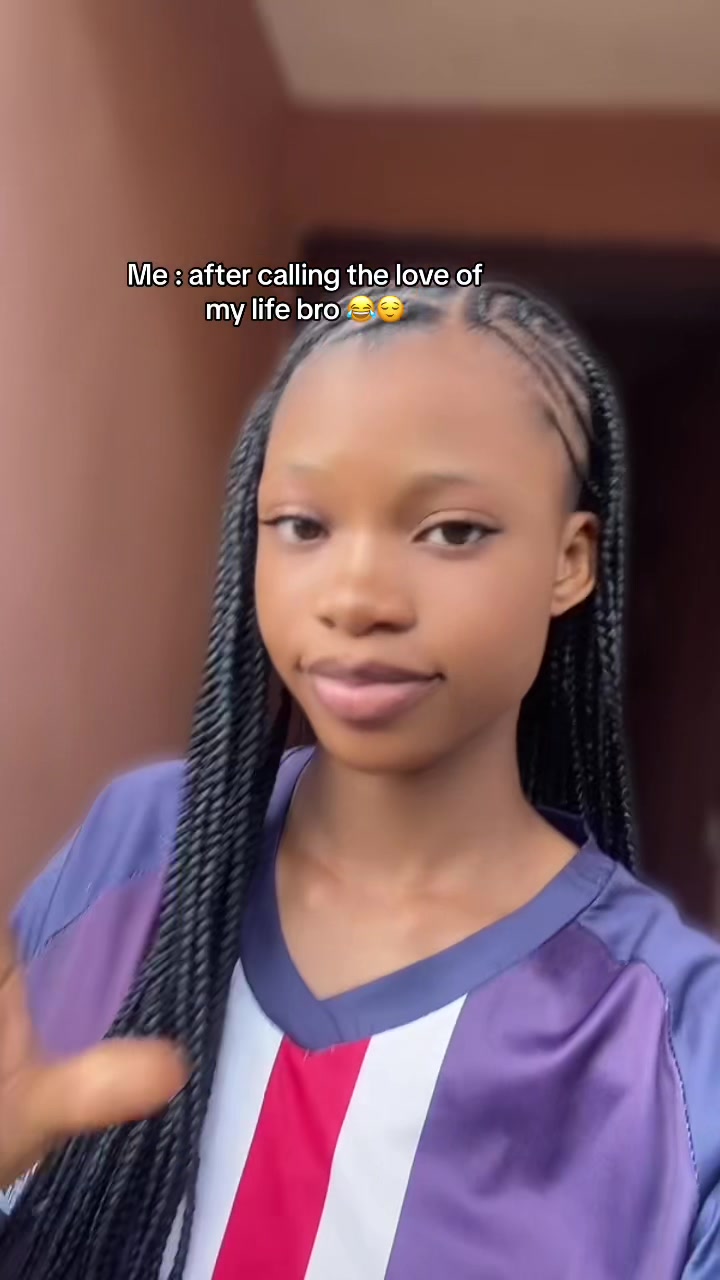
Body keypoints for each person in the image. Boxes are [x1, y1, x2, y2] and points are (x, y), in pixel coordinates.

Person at [0, 282, 718, 1280]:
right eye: (302, 524)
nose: (356, 597)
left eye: (452, 531)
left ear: (571, 560)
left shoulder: (679, 1037)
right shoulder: (139, 846)